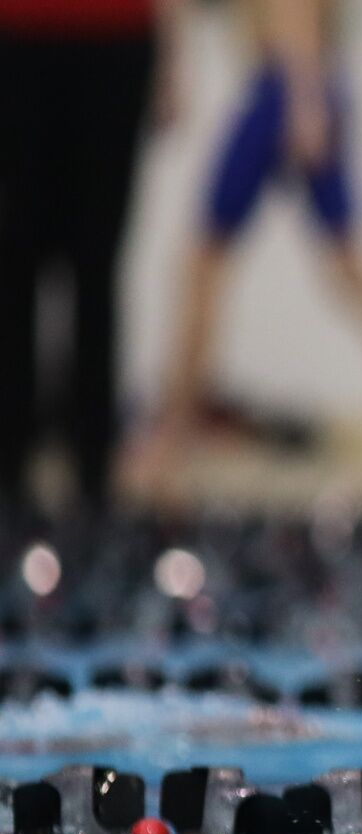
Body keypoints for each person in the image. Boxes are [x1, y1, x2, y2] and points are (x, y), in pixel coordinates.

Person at [124, 0, 362, 501]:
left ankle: (173, 439)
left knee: (210, 262)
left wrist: (303, 95)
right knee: (342, 266)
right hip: (296, 82)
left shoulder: (292, 80)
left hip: (287, 86)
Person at [0, 0, 186, 515]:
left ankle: (94, 472)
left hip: (116, 38)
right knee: (16, 261)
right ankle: (9, 465)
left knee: (97, 264)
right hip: (19, 35)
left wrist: (172, 58)